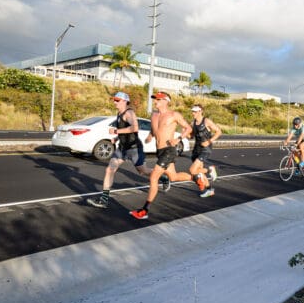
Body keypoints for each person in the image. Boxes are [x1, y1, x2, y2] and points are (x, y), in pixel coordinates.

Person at [129, 92, 193, 220]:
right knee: (173, 177)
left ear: (166, 101)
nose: (155, 101)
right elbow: (154, 129)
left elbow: (188, 128)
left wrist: (178, 138)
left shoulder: (174, 115)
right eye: (154, 99)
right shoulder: (154, 115)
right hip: (159, 151)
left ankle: (145, 210)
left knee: (153, 177)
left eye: (158, 99)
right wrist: (150, 136)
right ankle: (196, 177)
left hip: (169, 149)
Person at [87, 91, 152, 208]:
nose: (114, 102)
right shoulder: (119, 114)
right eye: (114, 100)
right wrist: (117, 138)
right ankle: (104, 200)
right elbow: (124, 130)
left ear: (124, 101)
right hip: (122, 148)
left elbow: (135, 128)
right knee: (109, 170)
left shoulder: (129, 113)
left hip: (134, 148)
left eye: (117, 100)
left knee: (143, 171)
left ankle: (162, 177)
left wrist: (117, 131)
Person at [187, 104, 222, 197]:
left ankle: (210, 170)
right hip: (196, 149)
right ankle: (210, 190)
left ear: (200, 111)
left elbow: (219, 132)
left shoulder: (206, 121)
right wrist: (186, 134)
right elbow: (191, 136)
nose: (193, 113)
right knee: (199, 172)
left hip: (205, 149)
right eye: (192, 111)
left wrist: (209, 141)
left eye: (195, 111)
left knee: (192, 170)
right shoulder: (193, 123)